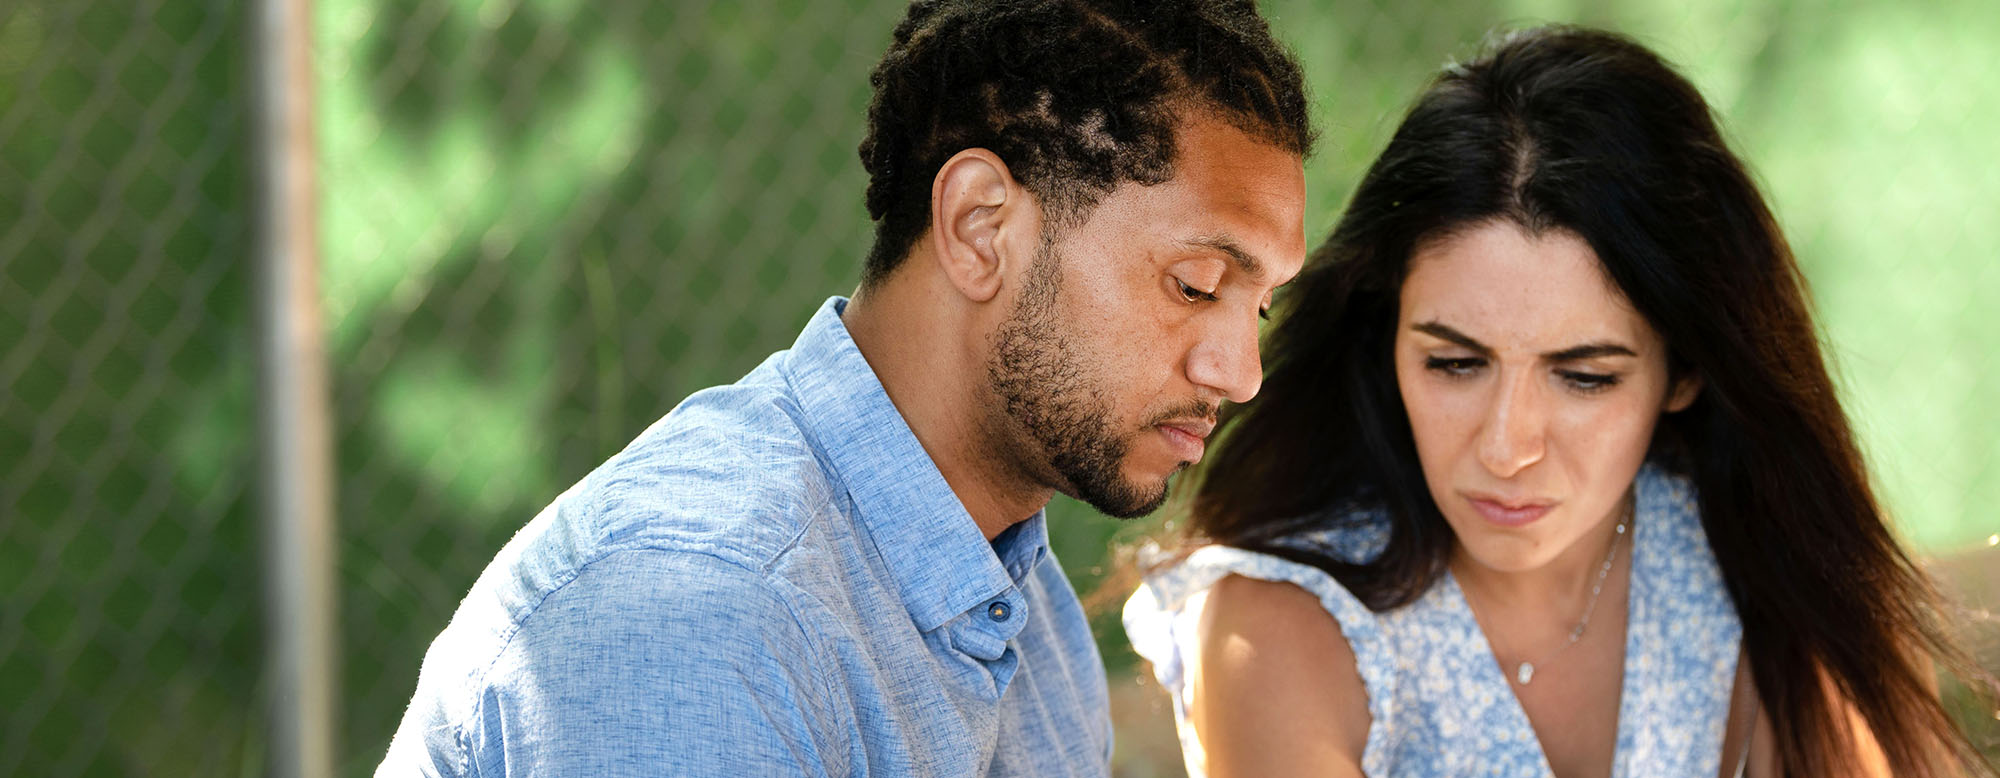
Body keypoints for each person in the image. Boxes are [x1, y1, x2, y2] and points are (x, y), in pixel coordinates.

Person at [376, 1, 1314, 775]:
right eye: (1195, 286)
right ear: (982, 228)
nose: (1237, 372)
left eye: (1259, 308)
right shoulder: (701, 614)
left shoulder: (1023, 608)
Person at [1124, 25, 1991, 778]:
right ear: (1384, 336)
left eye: (1584, 377)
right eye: (1456, 363)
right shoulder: (1282, 618)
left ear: (1684, 371)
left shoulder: (1758, 560)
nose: (1506, 448)